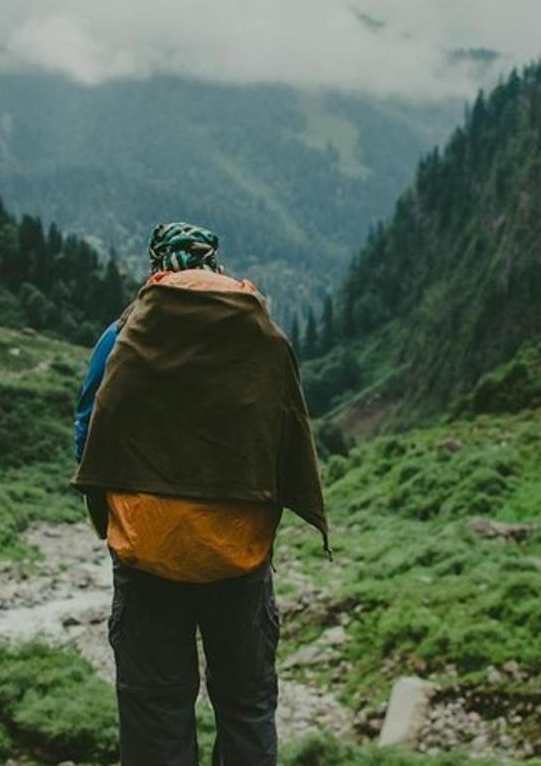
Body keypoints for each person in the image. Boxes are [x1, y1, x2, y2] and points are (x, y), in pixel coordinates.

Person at [71, 222, 328, 765]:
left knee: (155, 710)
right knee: (246, 707)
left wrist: (117, 502)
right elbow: (285, 428)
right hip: (238, 554)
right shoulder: (260, 333)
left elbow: (87, 426)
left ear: (158, 264)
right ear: (212, 262)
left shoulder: (124, 335)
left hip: (148, 552)